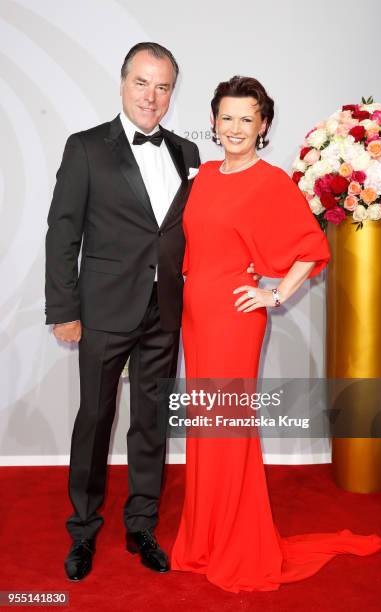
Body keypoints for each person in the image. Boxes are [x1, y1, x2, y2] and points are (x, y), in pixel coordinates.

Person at [171, 76, 381, 592]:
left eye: (247, 118)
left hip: (233, 321)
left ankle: (236, 541)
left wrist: (274, 294)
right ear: (214, 121)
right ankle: (206, 536)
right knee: (208, 426)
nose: (235, 127)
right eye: (227, 117)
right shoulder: (203, 178)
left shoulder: (269, 181)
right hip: (196, 320)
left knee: (228, 428)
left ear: (263, 125)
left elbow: (312, 248)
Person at [45, 42, 201, 581]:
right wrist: (64, 309)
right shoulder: (86, 147)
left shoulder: (187, 152)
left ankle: (141, 523)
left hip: (165, 311)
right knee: (95, 420)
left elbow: (189, 232)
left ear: (171, 94)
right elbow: (63, 233)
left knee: (151, 422)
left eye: (162, 87)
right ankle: (84, 530)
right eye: (142, 83)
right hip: (103, 310)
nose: (151, 97)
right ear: (122, 83)